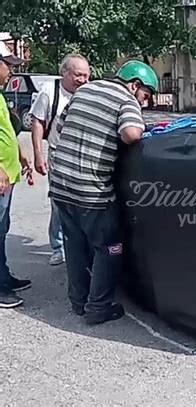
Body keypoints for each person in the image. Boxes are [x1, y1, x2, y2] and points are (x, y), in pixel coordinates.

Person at [50, 60, 159, 324]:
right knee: (110, 246)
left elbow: (61, 127)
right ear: (134, 85)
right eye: (145, 96)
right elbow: (132, 134)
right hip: (90, 190)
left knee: (75, 245)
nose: (144, 103)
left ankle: (79, 302)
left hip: (61, 185)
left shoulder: (86, 90)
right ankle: (98, 307)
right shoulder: (126, 100)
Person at [30, 54, 90, 266]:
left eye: (86, 75)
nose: (83, 80)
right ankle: (58, 246)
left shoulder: (88, 93)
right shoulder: (49, 91)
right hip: (58, 155)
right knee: (59, 203)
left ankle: (79, 244)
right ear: (64, 73)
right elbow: (37, 122)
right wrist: (38, 154)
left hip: (83, 156)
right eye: (78, 75)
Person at [0, 42, 33, 308]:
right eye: (7, 65)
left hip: (7, 176)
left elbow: (6, 132)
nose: (11, 71)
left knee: (2, 230)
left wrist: (21, 156)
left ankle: (4, 277)